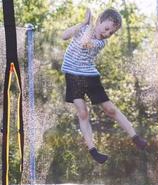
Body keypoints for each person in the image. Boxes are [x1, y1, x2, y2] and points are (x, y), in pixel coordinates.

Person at [61, 8, 147, 164]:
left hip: (89, 76)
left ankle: (134, 136)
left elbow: (85, 43)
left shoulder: (101, 42)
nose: (108, 34)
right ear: (99, 20)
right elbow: (64, 36)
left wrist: (87, 26)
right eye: (107, 28)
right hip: (72, 76)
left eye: (111, 33)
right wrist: (83, 23)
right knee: (83, 113)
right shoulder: (83, 28)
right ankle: (93, 150)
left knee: (110, 109)